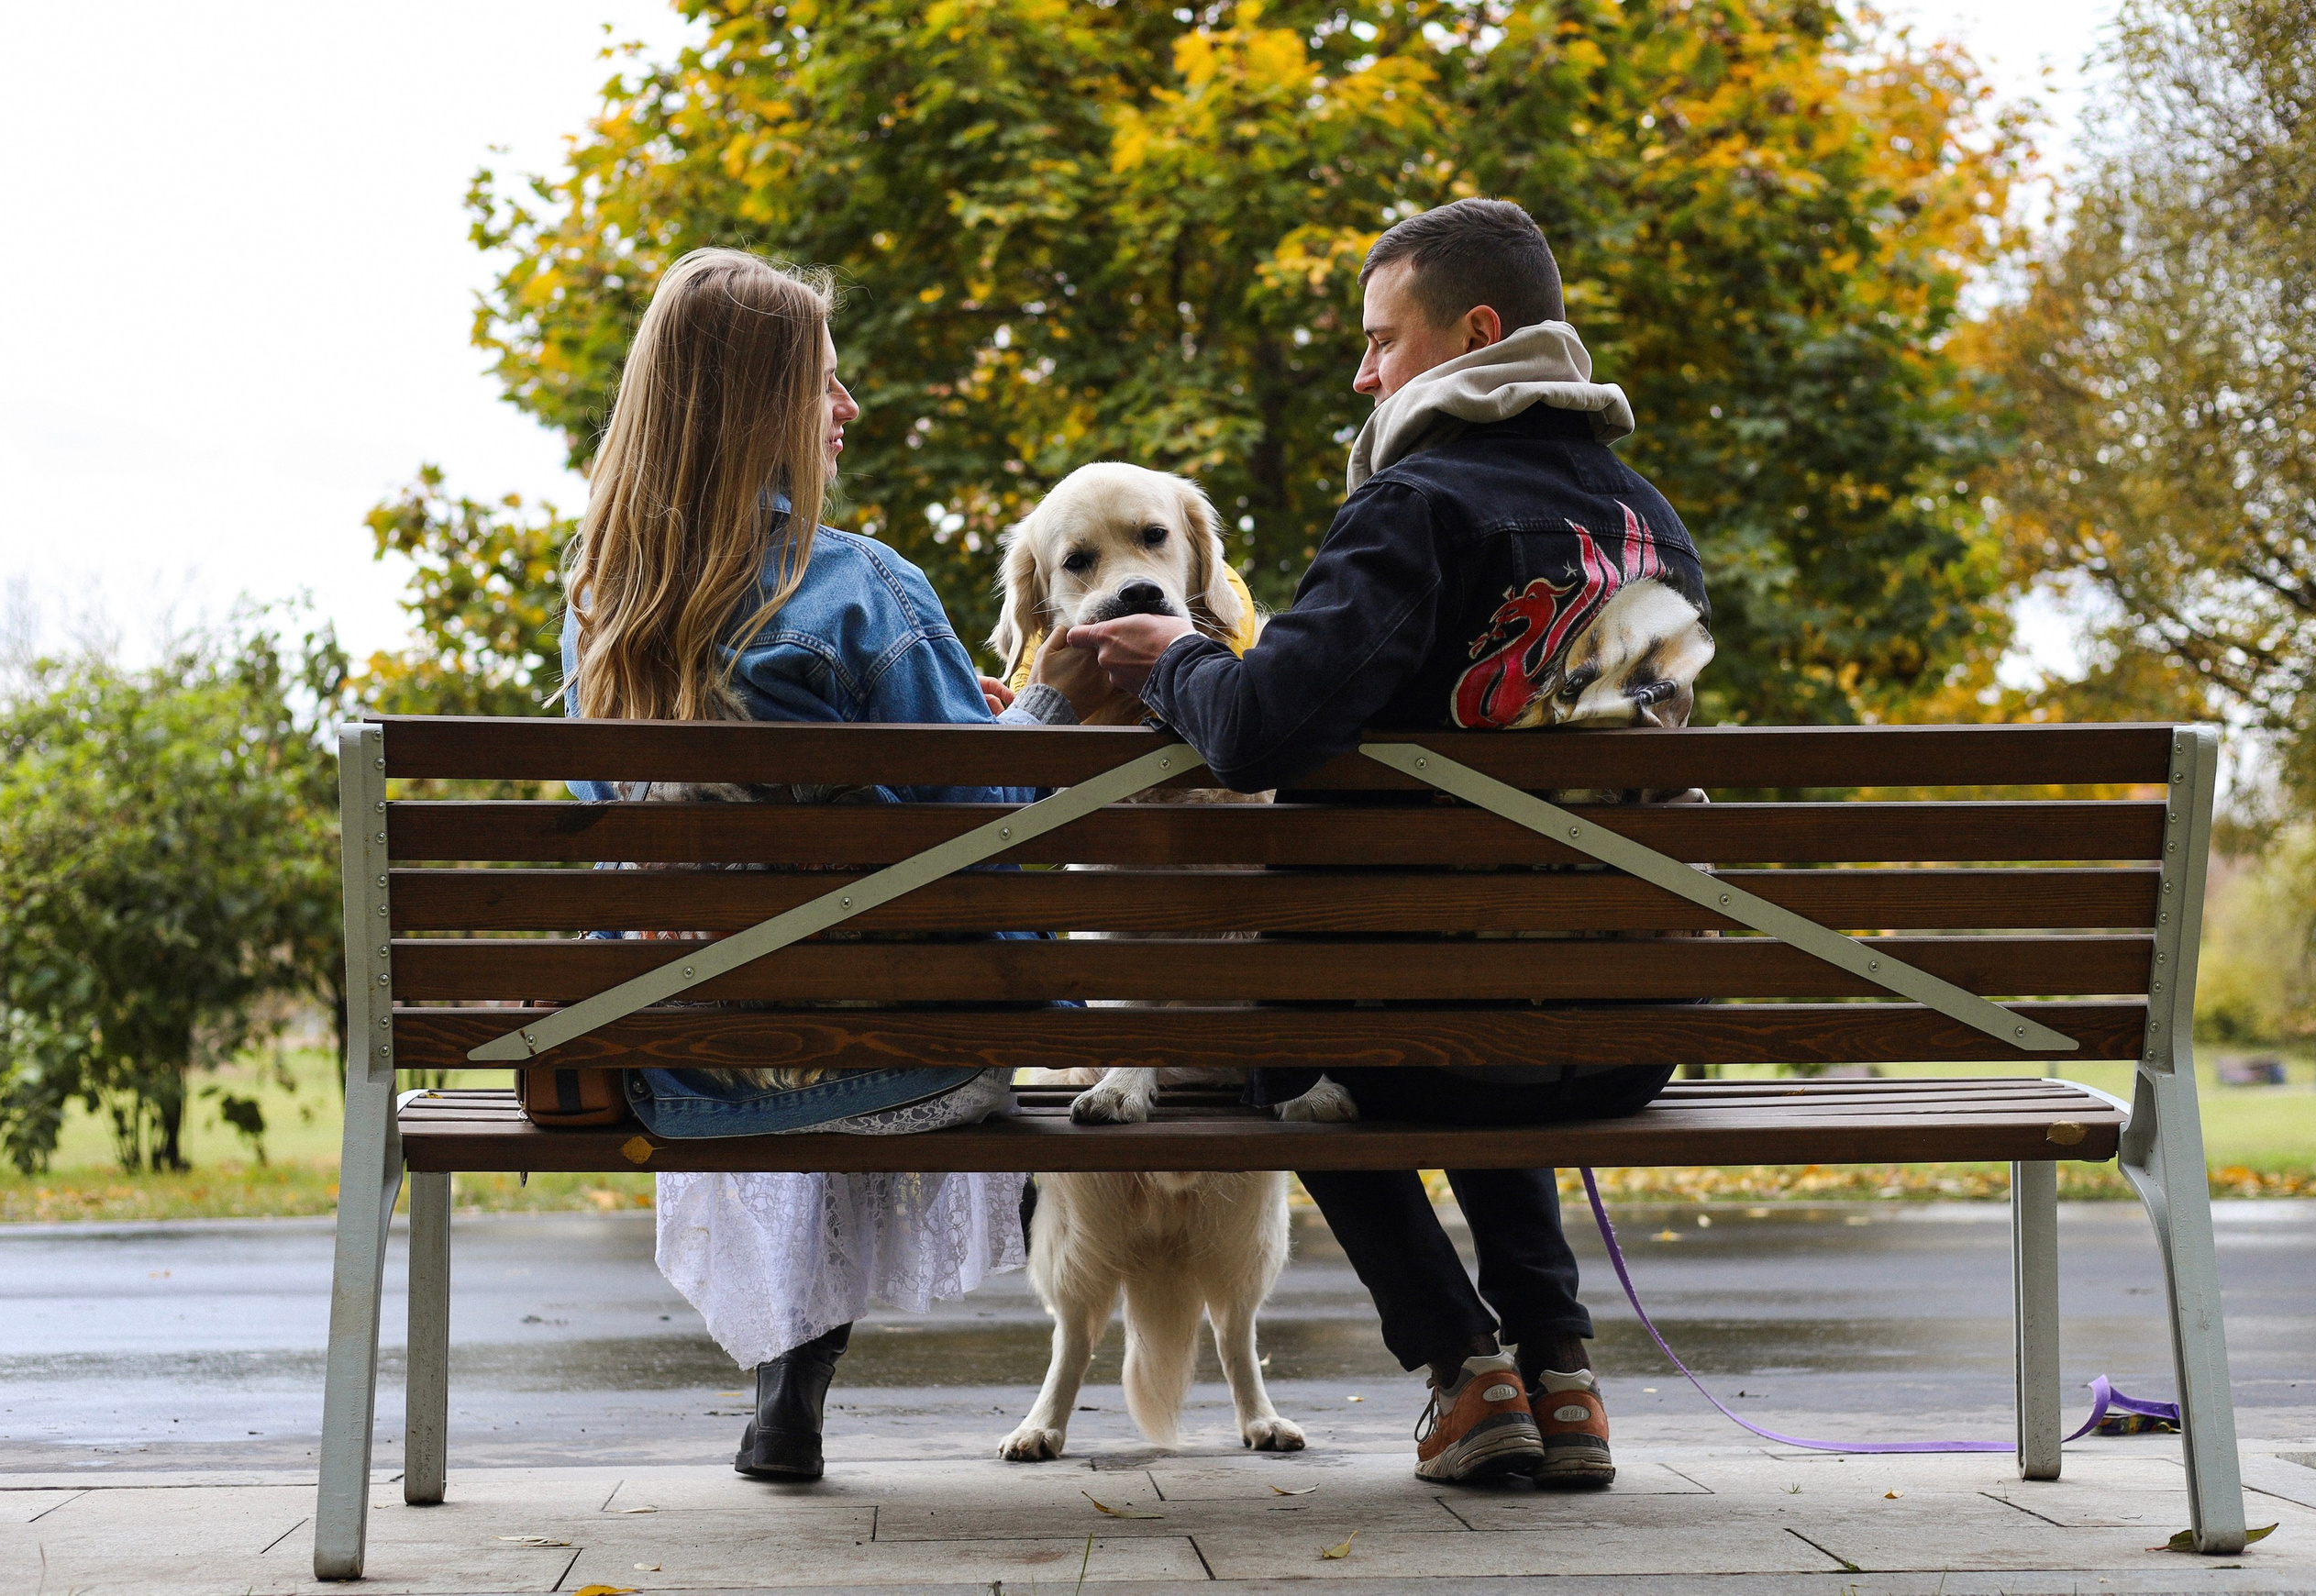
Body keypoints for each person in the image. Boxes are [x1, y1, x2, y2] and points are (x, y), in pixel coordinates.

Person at [1066, 198, 1715, 1488]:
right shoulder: (1652, 524)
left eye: (1380, 342)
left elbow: (1251, 732)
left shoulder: (1413, 508)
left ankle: (1466, 1375)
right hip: (1624, 1036)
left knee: (1295, 1052)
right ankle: (1564, 1380)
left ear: (1475, 334)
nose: (1363, 374)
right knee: (1484, 997)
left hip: (1432, 1041)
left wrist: (1174, 657)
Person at [558, 247, 1112, 1482]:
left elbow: (621, 816)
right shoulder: (863, 588)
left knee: (789, 997)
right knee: (877, 1008)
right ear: (762, 409)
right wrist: (1049, 705)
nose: (848, 410)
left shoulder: (601, 597)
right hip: (904, 1061)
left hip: (682, 1062)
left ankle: (786, 1387)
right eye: (825, 383)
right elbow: (992, 820)